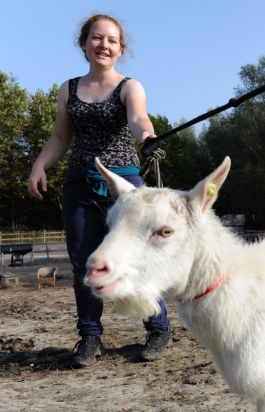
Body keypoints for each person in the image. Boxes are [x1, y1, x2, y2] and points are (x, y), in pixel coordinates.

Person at [28, 14, 171, 367]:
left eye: (111, 40)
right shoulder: (68, 88)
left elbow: (140, 120)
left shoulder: (129, 87)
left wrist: (148, 139)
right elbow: (62, 137)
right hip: (79, 181)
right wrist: (39, 165)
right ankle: (90, 337)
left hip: (123, 184)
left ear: (121, 49)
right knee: (82, 264)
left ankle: (158, 327)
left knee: (135, 257)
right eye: (97, 38)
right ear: (84, 44)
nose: (104, 44)